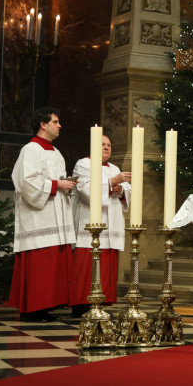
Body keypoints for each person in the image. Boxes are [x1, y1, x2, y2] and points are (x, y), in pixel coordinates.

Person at [9, 107, 77, 322]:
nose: (59, 125)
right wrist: (57, 185)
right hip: (38, 218)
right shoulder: (31, 149)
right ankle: (31, 310)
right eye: (55, 122)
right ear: (43, 124)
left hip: (56, 216)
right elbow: (25, 182)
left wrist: (67, 184)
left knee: (51, 267)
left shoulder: (56, 152)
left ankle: (45, 307)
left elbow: (56, 180)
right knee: (40, 266)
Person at [70, 134, 131, 317]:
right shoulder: (83, 164)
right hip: (89, 224)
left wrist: (121, 190)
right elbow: (85, 190)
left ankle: (100, 304)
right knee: (86, 266)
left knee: (106, 266)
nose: (106, 147)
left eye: (109, 145)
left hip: (111, 226)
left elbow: (127, 190)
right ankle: (81, 306)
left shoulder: (114, 168)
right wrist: (112, 183)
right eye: (102, 144)